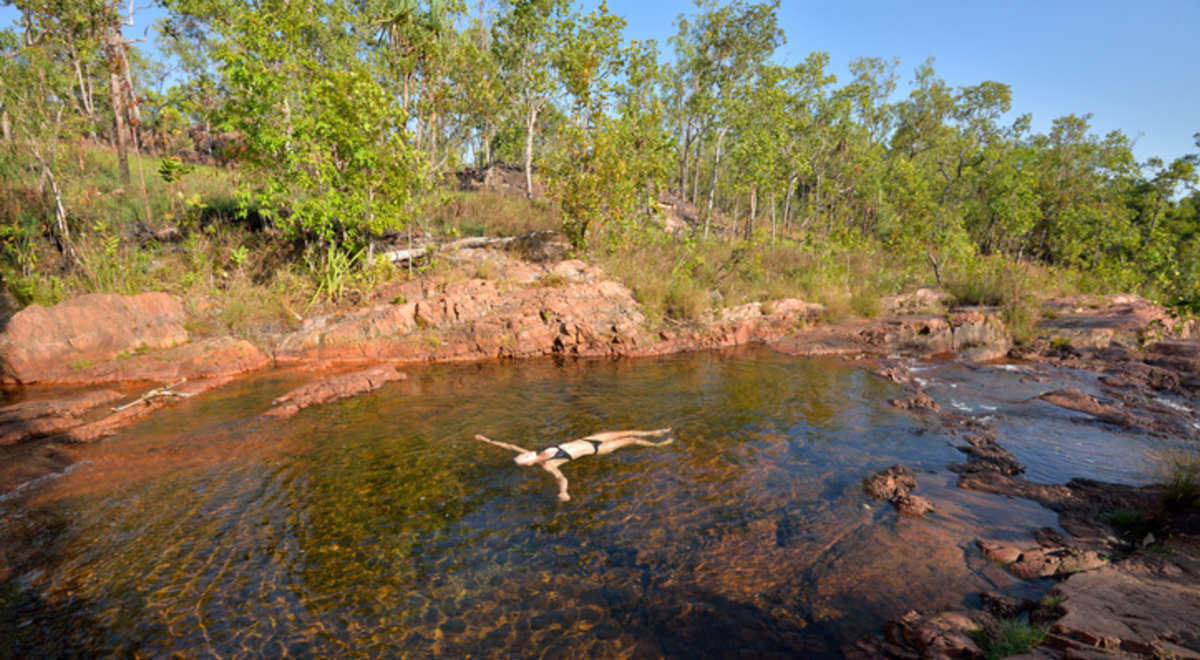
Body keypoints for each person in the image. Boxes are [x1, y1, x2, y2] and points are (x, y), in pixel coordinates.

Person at [474, 428, 673, 501]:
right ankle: (658, 444)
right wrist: (564, 492)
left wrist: (487, 440)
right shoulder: (548, 465)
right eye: (524, 457)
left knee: (626, 431)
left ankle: (655, 432)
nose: (525, 453)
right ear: (528, 464)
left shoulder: (533, 453)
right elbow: (562, 478)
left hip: (588, 439)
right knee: (631, 441)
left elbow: (509, 446)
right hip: (595, 449)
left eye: (523, 454)